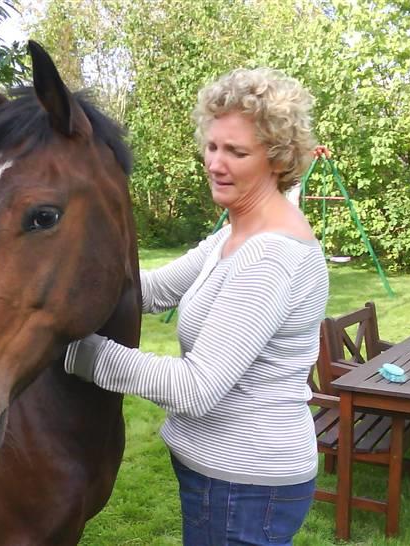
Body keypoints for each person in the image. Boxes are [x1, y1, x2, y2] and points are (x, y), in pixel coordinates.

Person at [64, 68, 329, 545]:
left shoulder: (272, 254)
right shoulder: (236, 230)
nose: (216, 163)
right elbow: (153, 290)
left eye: (236, 152)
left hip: (245, 483)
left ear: (277, 158)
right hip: (225, 476)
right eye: (212, 146)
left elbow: (195, 387)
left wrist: (76, 351)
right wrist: (58, 286)